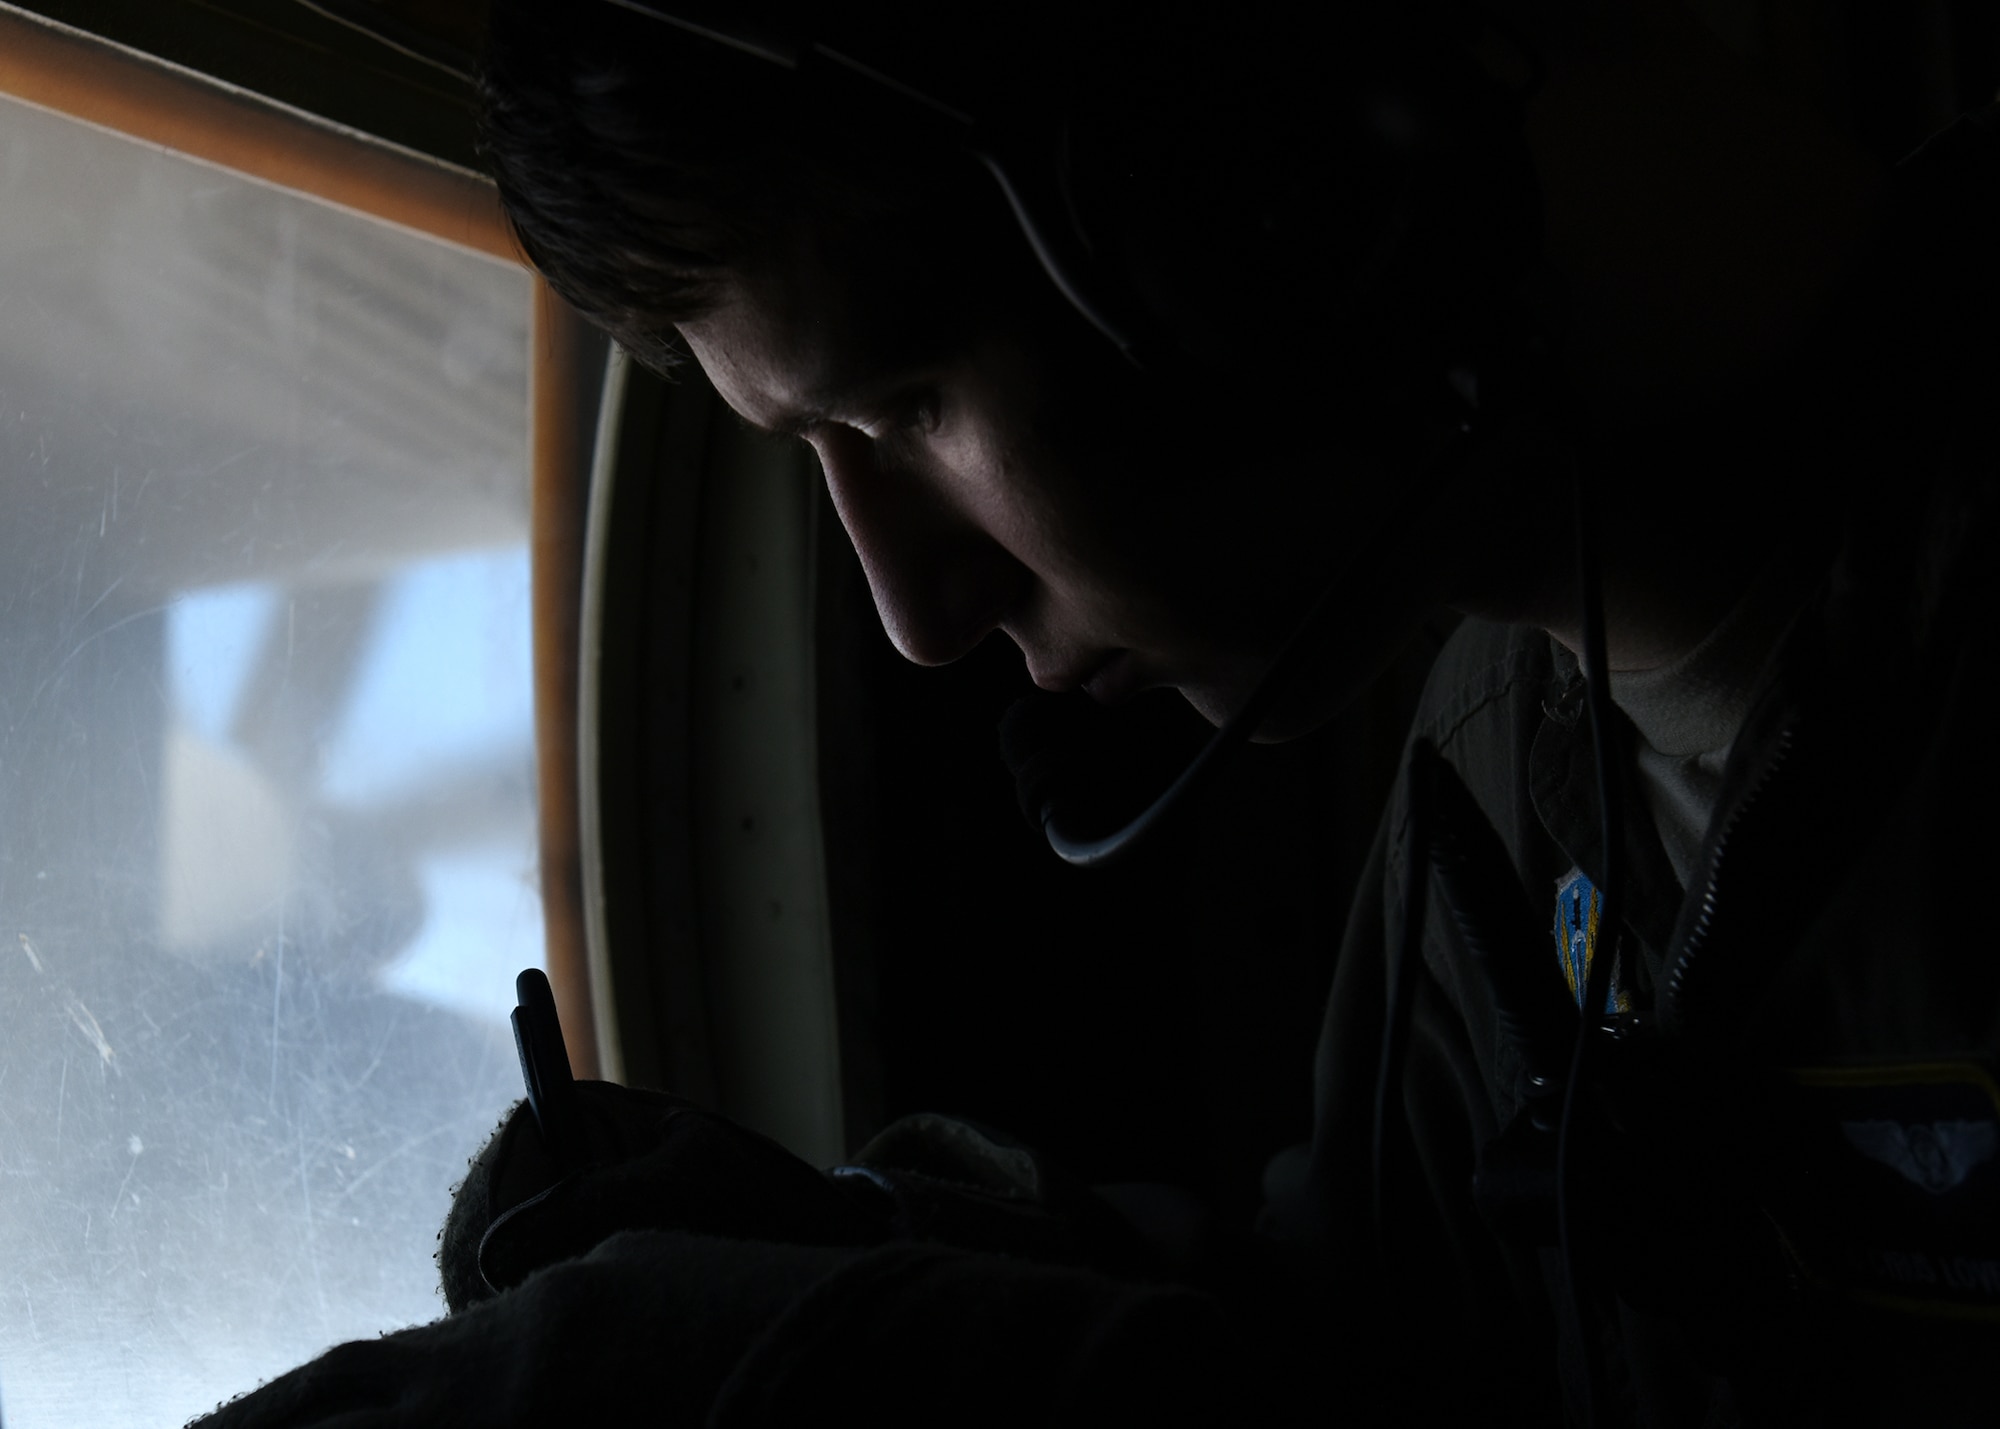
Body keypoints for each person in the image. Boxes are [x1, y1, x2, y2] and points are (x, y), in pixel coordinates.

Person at [192, 1, 1999, 1425]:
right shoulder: (1495, 803)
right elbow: (1386, 1353)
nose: (912, 612)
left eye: (898, 408)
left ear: (1237, 181)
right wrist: (871, 1263)